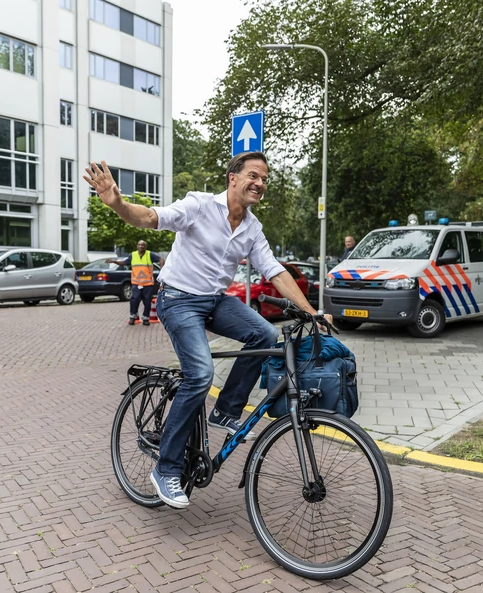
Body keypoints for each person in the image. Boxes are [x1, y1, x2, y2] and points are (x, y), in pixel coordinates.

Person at [83, 152, 332, 509]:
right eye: (253, 175)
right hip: (178, 299)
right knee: (200, 374)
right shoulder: (199, 206)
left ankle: (225, 410)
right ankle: (166, 469)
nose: (260, 183)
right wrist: (119, 203)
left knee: (265, 336)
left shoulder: (252, 228)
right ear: (232, 177)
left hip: (215, 300)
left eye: (264, 178)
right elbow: (151, 218)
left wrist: (312, 312)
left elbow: (275, 271)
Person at [107, 241, 164, 326]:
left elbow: (161, 259)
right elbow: (124, 263)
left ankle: (145, 318)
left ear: (145, 246)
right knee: (135, 300)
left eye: (143, 245)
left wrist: (162, 269)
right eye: (139, 245)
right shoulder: (133, 255)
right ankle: (133, 317)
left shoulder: (149, 254)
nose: (141, 246)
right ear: (137, 246)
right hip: (136, 283)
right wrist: (114, 261)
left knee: (147, 301)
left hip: (147, 283)